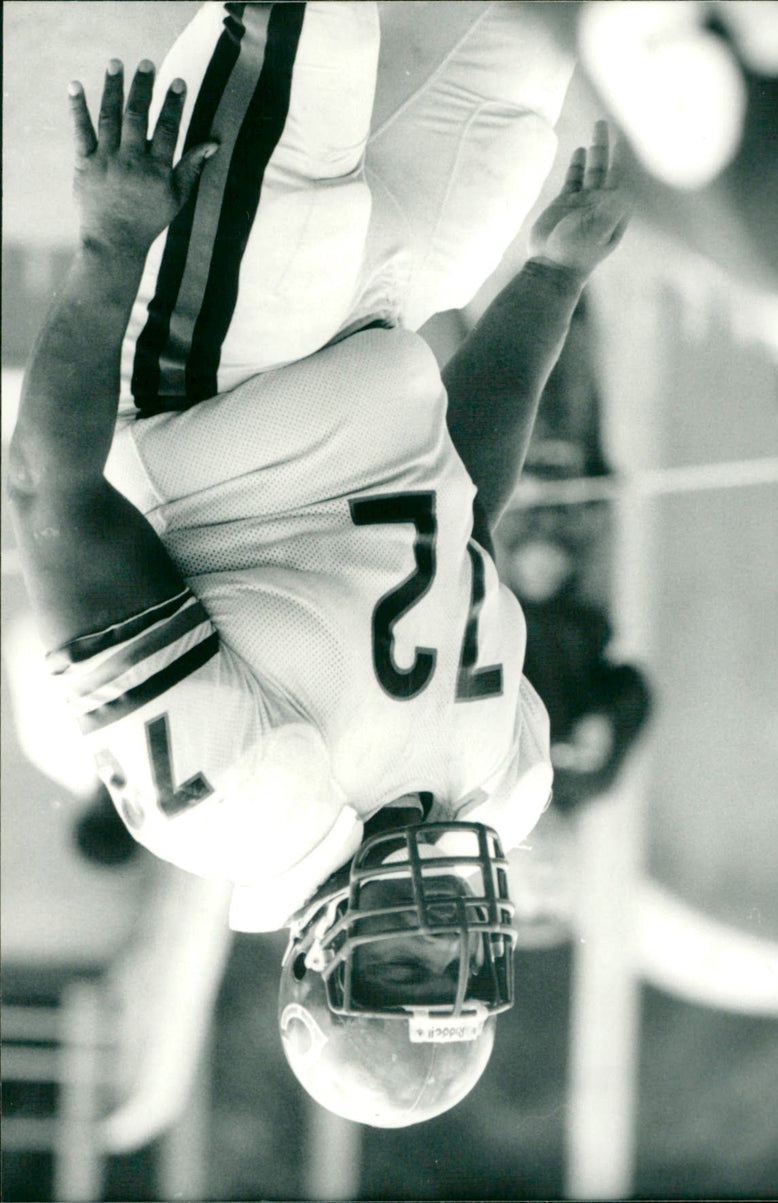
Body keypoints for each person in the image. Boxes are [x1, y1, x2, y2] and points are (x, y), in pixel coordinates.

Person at [7, 2, 629, 1127]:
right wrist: (544, 290)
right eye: (460, 975)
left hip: (233, 357)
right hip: (401, 320)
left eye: (400, 976)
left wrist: (109, 253)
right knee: (534, 32)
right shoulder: (505, 788)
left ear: (314, 971)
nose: (436, 940)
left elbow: (52, 500)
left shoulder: (238, 812)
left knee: (316, 24)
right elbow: (452, 513)